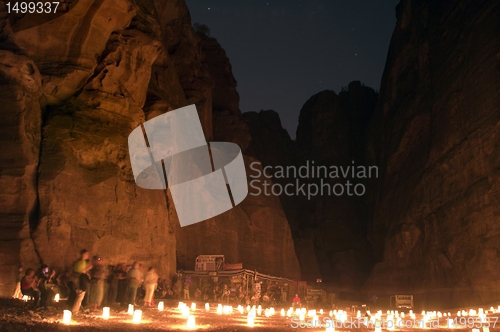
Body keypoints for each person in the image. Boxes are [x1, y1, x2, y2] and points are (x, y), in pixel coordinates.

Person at [68, 249, 92, 314]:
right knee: (80, 295)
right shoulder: (82, 262)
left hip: (73, 280)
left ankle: (73, 308)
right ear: (83, 254)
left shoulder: (77, 261)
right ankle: (74, 311)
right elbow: (82, 271)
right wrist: (88, 268)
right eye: (86, 254)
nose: (88, 255)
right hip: (79, 281)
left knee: (76, 295)